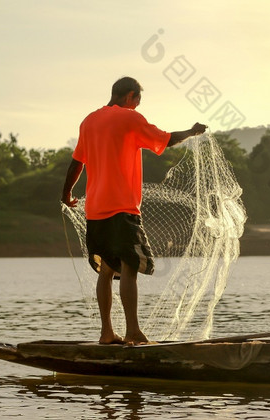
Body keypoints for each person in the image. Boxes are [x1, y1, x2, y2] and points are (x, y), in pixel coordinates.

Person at [61, 76, 206, 345]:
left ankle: (107, 333)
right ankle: (133, 332)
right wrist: (191, 131)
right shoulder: (129, 118)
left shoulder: (89, 121)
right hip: (122, 207)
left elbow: (76, 163)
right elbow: (165, 139)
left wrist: (67, 192)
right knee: (129, 266)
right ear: (129, 97)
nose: (137, 107)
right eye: (137, 101)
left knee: (106, 269)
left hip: (94, 208)